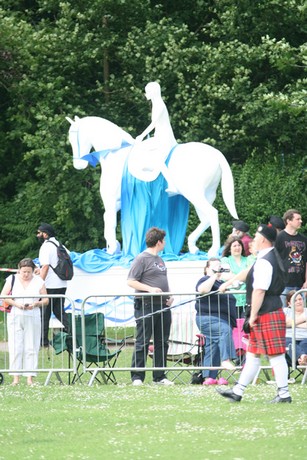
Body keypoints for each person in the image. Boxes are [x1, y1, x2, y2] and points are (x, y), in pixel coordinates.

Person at [217, 224, 292, 403]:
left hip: (267, 312)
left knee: (276, 354)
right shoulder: (266, 257)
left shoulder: (266, 261)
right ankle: (238, 391)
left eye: (256, 238)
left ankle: (284, 394)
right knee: (253, 354)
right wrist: (228, 283)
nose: (252, 241)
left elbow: (259, 291)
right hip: (267, 311)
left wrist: (252, 316)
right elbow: (247, 273)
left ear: (264, 240)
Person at [127, 227, 174, 386]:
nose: (165, 243)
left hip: (163, 305)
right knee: (143, 341)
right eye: (164, 240)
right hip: (146, 304)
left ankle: (159, 376)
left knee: (162, 341)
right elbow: (131, 281)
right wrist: (150, 289)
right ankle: (137, 376)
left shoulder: (160, 260)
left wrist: (170, 295)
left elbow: (163, 281)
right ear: (159, 242)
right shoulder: (141, 258)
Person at [1, 258, 49, 385]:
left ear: (33, 271)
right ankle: (15, 377)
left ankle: (30, 377)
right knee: (16, 346)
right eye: (23, 272)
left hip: (33, 315)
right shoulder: (12, 279)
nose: (26, 274)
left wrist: (36, 303)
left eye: (28, 272)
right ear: (19, 270)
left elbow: (46, 299)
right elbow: (4, 295)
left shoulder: (39, 281)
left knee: (31, 346)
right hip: (15, 315)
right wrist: (16, 304)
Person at [195, 257, 237, 385]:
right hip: (208, 318)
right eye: (214, 267)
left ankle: (208, 377)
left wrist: (225, 275)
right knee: (224, 331)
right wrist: (213, 275)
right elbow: (202, 290)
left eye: (219, 267)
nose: (218, 269)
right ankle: (226, 359)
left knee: (213, 347)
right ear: (207, 269)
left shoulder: (221, 283)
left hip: (222, 319)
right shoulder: (205, 279)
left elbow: (237, 281)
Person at [135, 81, 178, 195]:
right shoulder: (156, 104)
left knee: (158, 159)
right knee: (142, 148)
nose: (146, 94)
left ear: (153, 92)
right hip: (159, 136)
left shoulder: (159, 105)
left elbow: (154, 124)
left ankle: (172, 184)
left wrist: (141, 135)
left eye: (148, 91)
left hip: (164, 137)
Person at [37, 223, 70, 347]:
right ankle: (74, 332)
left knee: (44, 313)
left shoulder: (46, 247)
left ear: (45, 234)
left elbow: (45, 266)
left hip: (50, 285)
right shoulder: (59, 245)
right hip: (62, 283)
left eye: (39, 233)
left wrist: (39, 284)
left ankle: (42, 341)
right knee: (58, 311)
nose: (38, 235)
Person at [275, 209, 307, 307]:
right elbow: (275, 260)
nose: (301, 221)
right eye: (298, 219)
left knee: (302, 314)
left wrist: (306, 282)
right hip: (284, 284)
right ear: (288, 221)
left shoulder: (303, 239)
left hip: (301, 284)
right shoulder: (279, 238)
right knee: (285, 314)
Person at [221, 236, 251, 318]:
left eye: (239, 245)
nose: (237, 248)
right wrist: (243, 276)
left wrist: (235, 276)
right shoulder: (225, 260)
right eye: (234, 246)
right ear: (229, 249)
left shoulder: (248, 259)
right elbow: (226, 276)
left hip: (246, 299)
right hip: (231, 300)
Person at [284, 290, 307, 366]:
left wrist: (292, 323)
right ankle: (302, 358)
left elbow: (288, 323)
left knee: (304, 344)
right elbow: (284, 323)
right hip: (289, 337)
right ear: (289, 304)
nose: (298, 302)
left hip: (305, 337)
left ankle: (302, 359)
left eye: (300, 299)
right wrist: (303, 319)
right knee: (290, 344)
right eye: (295, 300)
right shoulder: (286, 311)